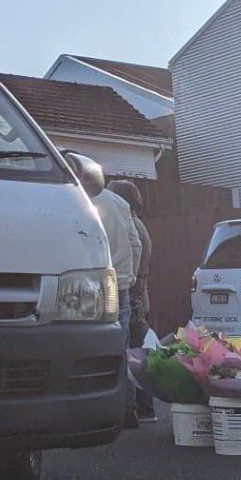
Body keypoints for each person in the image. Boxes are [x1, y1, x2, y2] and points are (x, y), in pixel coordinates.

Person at [92, 181, 149, 425]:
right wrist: (131, 277)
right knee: (122, 346)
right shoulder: (120, 205)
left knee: (92, 346)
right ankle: (128, 409)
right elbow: (137, 245)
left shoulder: (81, 200)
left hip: (91, 283)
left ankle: (96, 407)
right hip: (122, 286)